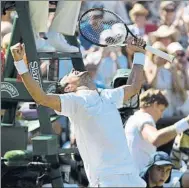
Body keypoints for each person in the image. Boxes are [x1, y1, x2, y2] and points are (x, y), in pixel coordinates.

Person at [10, 36, 147, 187]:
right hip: (108, 181)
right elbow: (41, 97)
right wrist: (20, 64)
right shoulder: (75, 102)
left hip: (133, 178)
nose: (73, 70)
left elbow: (134, 87)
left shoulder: (108, 95)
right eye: (69, 75)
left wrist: (139, 54)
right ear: (68, 88)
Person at [124, 88, 189, 187]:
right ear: (154, 105)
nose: (161, 115)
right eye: (161, 110)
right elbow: (155, 138)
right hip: (142, 180)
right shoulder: (144, 117)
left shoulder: (134, 118)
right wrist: (186, 122)